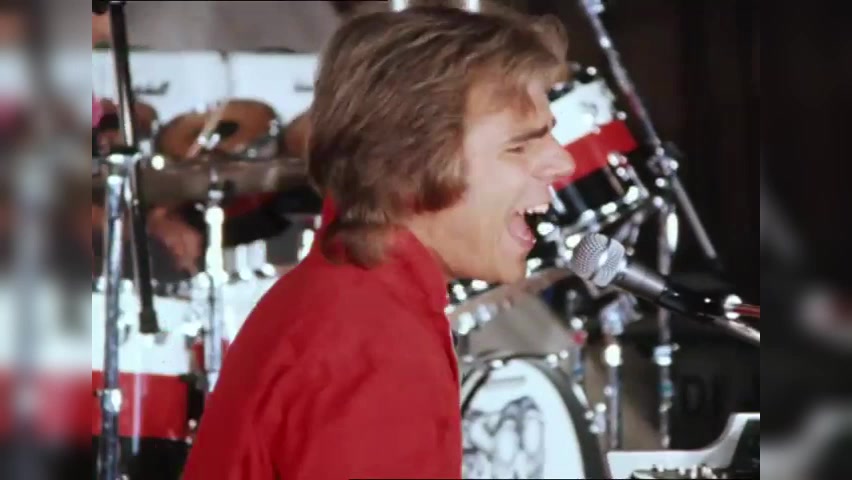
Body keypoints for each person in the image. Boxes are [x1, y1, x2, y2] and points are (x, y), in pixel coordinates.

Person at [182, 6, 573, 479]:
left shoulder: (352, 297)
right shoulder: (375, 341)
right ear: (410, 164)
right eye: (520, 145)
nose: (564, 163)